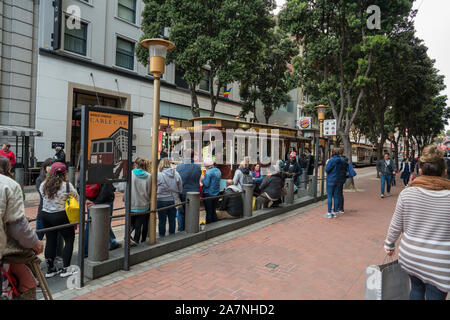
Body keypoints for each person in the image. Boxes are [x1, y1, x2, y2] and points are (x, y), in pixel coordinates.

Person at [384, 145, 450, 300]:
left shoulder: (407, 194)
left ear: (420, 171)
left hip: (410, 257)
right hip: (440, 264)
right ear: (444, 172)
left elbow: (396, 225)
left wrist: (389, 245)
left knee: (416, 290)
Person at [0, 157, 44, 300]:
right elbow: (18, 226)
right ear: (8, 169)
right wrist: (35, 243)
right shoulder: (9, 184)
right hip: (6, 253)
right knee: (29, 282)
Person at [39, 162, 78, 278]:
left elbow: (42, 196)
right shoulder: (67, 185)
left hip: (45, 214)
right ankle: (66, 269)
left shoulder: (43, 184)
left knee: (50, 240)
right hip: (61, 215)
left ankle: (50, 270)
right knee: (69, 239)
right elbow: (76, 196)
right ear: (64, 173)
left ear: (51, 172)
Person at [82, 180, 121, 257]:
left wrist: (86, 199)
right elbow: (107, 190)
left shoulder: (85, 170)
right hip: (101, 201)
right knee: (99, 224)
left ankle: (112, 242)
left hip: (91, 199)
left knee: (93, 224)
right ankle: (86, 251)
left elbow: (80, 185)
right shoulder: (104, 170)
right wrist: (96, 203)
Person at [118, 158, 151, 244]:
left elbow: (120, 188)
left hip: (130, 204)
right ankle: (136, 241)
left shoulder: (129, 174)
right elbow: (150, 192)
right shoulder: (149, 176)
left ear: (135, 165)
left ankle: (127, 238)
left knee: (130, 224)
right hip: (143, 205)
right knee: (138, 226)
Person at [176, 149, 201, 231]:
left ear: (184, 155)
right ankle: (191, 228)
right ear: (193, 156)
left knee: (181, 212)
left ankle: (181, 229)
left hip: (183, 192)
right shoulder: (198, 167)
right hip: (194, 193)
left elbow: (178, 181)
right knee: (193, 212)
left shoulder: (179, 167)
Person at [157, 158, 182, 236]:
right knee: (172, 219)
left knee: (162, 220)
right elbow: (180, 188)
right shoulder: (176, 174)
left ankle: (162, 236)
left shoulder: (158, 174)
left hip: (161, 200)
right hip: (173, 200)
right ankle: (172, 234)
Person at [35, 158, 55, 241]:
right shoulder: (39, 180)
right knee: (38, 238)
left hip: (55, 213)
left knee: (52, 239)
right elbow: (45, 195)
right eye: (50, 166)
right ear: (45, 167)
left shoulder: (57, 180)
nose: (51, 168)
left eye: (53, 166)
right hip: (43, 212)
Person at [201, 157, 221, 224]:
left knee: (208, 212)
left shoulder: (208, 173)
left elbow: (206, 184)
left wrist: (202, 178)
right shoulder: (218, 170)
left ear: (207, 166)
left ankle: (209, 227)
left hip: (209, 194)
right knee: (213, 211)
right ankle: (215, 225)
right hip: (217, 193)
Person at [324, 148, 342, 219]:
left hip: (331, 179)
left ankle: (329, 213)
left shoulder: (331, 160)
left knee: (329, 196)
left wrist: (327, 163)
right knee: (336, 196)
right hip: (337, 180)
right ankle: (334, 212)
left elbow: (327, 169)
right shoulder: (340, 160)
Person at [336, 149, 349, 215]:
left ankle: (340, 208)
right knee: (340, 193)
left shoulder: (339, 160)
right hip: (343, 177)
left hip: (339, 178)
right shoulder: (345, 159)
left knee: (338, 193)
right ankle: (340, 207)